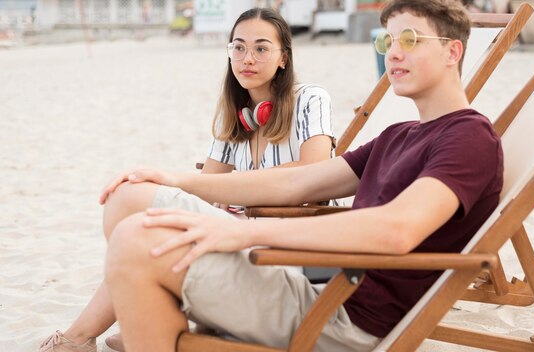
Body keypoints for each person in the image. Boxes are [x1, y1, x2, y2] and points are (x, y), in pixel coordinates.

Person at [104, 0, 503, 351]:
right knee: (136, 197)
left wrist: (248, 232)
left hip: (342, 315)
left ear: (453, 51)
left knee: (135, 241)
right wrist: (177, 180)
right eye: (387, 41)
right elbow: (297, 182)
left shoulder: (469, 136)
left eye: (410, 40)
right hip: (316, 280)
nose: (393, 54)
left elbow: (397, 230)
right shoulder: (398, 134)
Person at [38, 7, 335, 352]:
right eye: (237, 48)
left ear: (283, 57)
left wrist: (229, 189)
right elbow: (208, 186)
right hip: (235, 235)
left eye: (261, 48)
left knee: (134, 202)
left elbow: (314, 172)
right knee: (143, 221)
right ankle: (117, 323)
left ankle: (85, 335)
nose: (247, 58)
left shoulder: (310, 99)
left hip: (284, 243)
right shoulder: (238, 116)